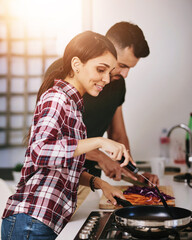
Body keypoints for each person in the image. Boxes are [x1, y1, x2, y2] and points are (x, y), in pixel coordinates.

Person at [1, 31, 133, 240]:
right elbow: (39, 152)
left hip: (41, 221)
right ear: (76, 64)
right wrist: (99, 142)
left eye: (109, 72)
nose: (107, 79)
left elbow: (63, 170)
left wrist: (101, 184)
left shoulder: (73, 107)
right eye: (101, 69)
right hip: (32, 222)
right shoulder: (57, 99)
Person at [45, 22, 159, 186]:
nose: (125, 74)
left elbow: (118, 135)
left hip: (91, 181)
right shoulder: (62, 72)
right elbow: (53, 140)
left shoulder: (117, 83)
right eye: (122, 66)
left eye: (130, 68)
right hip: (56, 180)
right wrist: (100, 155)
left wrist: (134, 173)